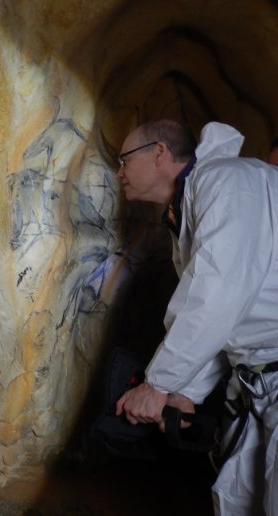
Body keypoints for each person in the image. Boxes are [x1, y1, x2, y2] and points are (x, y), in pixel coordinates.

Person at [113, 119, 278, 515]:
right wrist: (185, 393)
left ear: (159, 153)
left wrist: (160, 385)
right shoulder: (192, 205)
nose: (118, 172)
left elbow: (219, 294)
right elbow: (228, 319)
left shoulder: (227, 181)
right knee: (239, 500)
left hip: (270, 375)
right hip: (259, 381)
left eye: (123, 160)